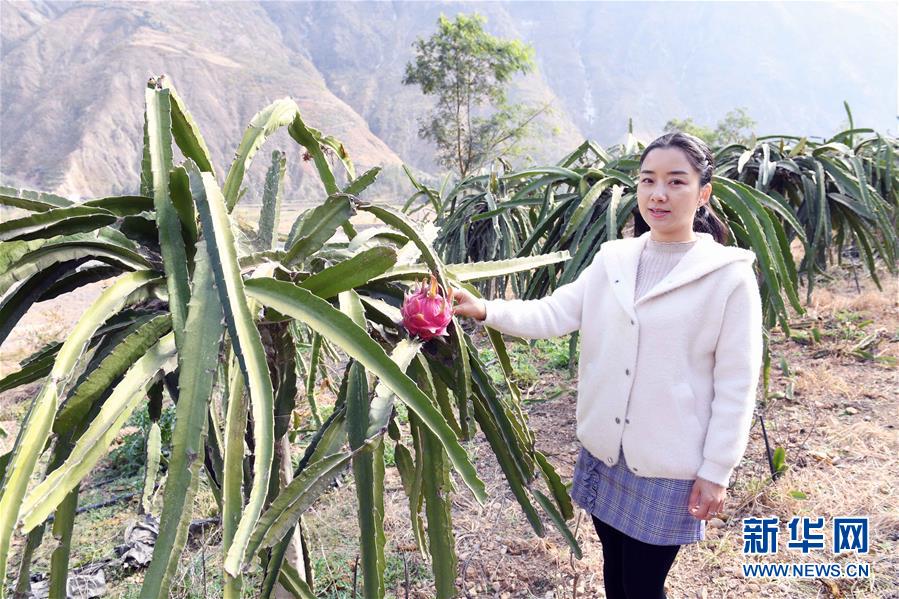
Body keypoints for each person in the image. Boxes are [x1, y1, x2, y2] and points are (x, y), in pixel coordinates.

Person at [452, 132, 764, 599]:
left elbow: (737, 383)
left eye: (676, 181)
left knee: (642, 585)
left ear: (704, 193)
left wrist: (717, 469)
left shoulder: (728, 277)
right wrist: (485, 310)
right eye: (648, 180)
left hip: (668, 464)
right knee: (615, 576)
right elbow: (555, 312)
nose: (658, 194)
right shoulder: (613, 259)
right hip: (607, 453)